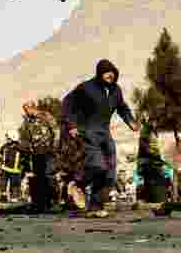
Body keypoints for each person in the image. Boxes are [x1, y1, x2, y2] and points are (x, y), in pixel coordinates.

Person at [62, 59, 137, 217]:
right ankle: (78, 184)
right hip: (88, 131)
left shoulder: (116, 90)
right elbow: (67, 103)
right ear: (99, 73)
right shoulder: (87, 87)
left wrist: (131, 121)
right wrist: (72, 125)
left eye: (112, 73)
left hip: (105, 132)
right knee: (97, 166)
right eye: (106, 72)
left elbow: (122, 107)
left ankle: (96, 206)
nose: (110, 75)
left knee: (109, 173)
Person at [19, 101, 57, 213]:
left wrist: (54, 146)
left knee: (49, 176)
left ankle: (51, 203)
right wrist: (26, 148)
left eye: (27, 109)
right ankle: (38, 204)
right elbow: (24, 137)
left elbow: (56, 131)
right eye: (25, 110)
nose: (26, 112)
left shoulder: (46, 116)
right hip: (35, 153)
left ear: (33, 107)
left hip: (48, 151)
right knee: (37, 178)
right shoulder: (27, 121)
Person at [0, 132, 23, 202]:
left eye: (9, 138)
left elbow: (25, 159)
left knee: (15, 185)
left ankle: (14, 197)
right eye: (7, 138)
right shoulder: (4, 147)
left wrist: (25, 169)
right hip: (4, 169)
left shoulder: (20, 148)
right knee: (2, 184)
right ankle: (3, 196)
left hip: (15, 171)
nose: (7, 139)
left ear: (13, 138)